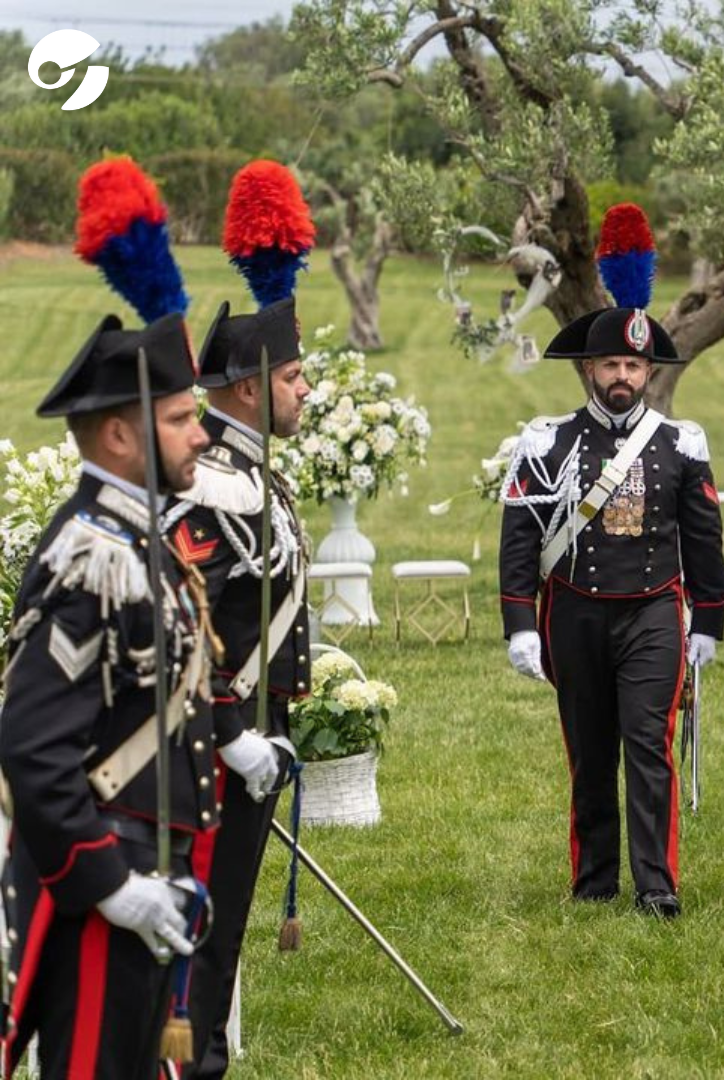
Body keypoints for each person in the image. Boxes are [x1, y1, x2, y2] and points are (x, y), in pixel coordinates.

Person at [0, 307, 219, 1078]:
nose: (202, 434)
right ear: (121, 437)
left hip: (153, 868)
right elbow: (31, 748)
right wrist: (109, 883)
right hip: (104, 888)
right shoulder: (92, 557)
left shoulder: (139, 543)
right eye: (181, 418)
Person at [498, 204, 724, 919]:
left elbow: (701, 540)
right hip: (573, 611)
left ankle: (656, 883)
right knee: (589, 753)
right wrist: (519, 626)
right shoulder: (545, 441)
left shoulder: (681, 443)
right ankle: (594, 878)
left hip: (655, 610)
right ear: (589, 369)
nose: (622, 375)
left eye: (634, 363)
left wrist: (709, 623)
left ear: (646, 369)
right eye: (610, 364)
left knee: (648, 750)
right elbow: (520, 538)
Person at [164, 159, 313, 1079]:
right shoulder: (212, 486)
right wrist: (231, 732)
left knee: (225, 928)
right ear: (251, 386)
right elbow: (192, 626)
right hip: (216, 744)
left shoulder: (252, 475)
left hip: (260, 729)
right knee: (200, 930)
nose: (308, 393)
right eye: (296, 377)